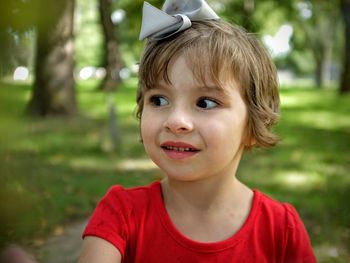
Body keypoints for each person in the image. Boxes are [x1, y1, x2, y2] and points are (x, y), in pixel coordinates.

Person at [78, 0, 316, 262]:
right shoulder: (121, 215)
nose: (176, 120)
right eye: (158, 100)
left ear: (253, 124)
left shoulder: (282, 231)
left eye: (205, 102)